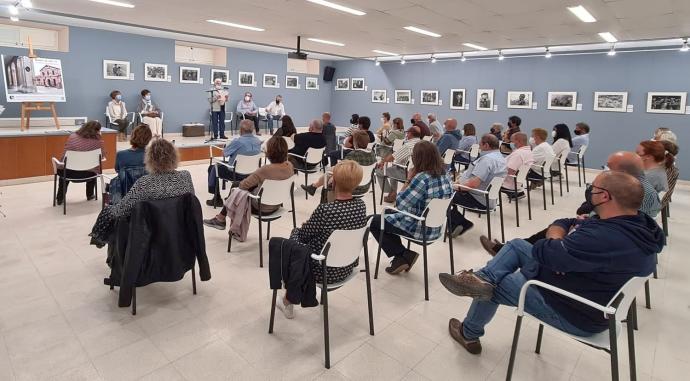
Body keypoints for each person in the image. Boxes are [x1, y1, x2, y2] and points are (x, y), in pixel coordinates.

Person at [439, 171, 664, 355]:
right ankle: (481, 278)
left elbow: (545, 248)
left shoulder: (604, 237)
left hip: (574, 311)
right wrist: (561, 240)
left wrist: (558, 241)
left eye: (593, 188)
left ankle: (469, 333)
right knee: (517, 245)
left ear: (605, 197)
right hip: (583, 288)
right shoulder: (638, 224)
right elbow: (565, 222)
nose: (589, 191)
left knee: (498, 285)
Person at [481, 151, 662, 256]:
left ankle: (507, 252)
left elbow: (594, 211)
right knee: (555, 226)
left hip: (588, 244)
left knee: (521, 249)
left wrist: (586, 219)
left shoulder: (634, 193)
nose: (604, 168)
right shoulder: (638, 188)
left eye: (608, 166)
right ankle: (507, 250)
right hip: (596, 228)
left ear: (621, 172)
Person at [277, 160, 368, 318]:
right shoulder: (361, 205)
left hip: (321, 271)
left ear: (334, 182)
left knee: (293, 237)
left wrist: (305, 227)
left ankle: (289, 298)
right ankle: (290, 295)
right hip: (346, 268)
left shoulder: (325, 210)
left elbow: (304, 236)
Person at [89, 138, 195, 247]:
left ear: (149, 159)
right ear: (175, 157)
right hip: (178, 230)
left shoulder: (145, 183)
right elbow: (192, 203)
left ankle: (103, 242)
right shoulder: (185, 176)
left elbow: (120, 211)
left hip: (149, 233)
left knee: (110, 212)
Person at [369, 141, 453, 274]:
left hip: (419, 228)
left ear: (418, 158)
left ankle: (403, 254)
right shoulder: (446, 176)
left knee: (372, 221)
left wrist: (409, 179)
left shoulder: (422, 178)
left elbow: (400, 203)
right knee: (387, 216)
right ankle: (400, 257)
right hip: (435, 228)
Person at [203, 137, 295, 230]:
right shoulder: (290, 166)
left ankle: (221, 219)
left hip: (261, 207)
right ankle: (221, 218)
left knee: (236, 187)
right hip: (277, 204)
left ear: (269, 152)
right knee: (249, 186)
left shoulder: (265, 170)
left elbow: (242, 185)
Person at [449, 134, 507, 236]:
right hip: (489, 198)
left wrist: (453, 187)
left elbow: (473, 184)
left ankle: (461, 222)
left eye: (480, 144)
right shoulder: (501, 158)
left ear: (487, 145)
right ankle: (457, 222)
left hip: (477, 197)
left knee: (442, 195)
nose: (479, 146)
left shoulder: (487, 160)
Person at [302, 130, 376, 198]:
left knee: (330, 176)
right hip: (365, 187)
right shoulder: (372, 154)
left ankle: (325, 202)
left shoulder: (353, 154)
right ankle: (314, 186)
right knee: (332, 172)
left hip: (351, 188)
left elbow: (339, 169)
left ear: (355, 142)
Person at [206, 120, 262, 206]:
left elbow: (225, 153)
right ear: (252, 129)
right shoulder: (257, 141)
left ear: (241, 130)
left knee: (212, 168)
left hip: (236, 173)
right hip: (252, 173)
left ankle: (216, 199)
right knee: (222, 164)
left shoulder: (238, 141)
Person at [55, 121, 105, 205]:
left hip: (69, 174)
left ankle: (60, 198)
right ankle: (90, 195)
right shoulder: (99, 142)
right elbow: (102, 157)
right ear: (98, 131)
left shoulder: (72, 137)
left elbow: (64, 158)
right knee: (94, 166)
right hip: (89, 174)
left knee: (64, 170)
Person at [375, 126, 422, 203]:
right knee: (395, 167)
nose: (406, 134)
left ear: (410, 133)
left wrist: (382, 162)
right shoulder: (421, 143)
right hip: (418, 173)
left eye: (407, 133)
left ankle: (391, 193)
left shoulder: (408, 145)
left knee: (379, 171)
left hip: (408, 174)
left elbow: (393, 157)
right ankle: (392, 194)